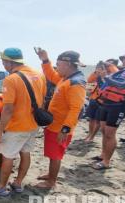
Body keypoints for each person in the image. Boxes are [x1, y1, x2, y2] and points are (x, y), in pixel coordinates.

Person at [0, 48, 46, 196]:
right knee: (25, 153)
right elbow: (42, 100)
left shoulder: (11, 79)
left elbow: (7, 109)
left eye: (3, 61)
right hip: (33, 124)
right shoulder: (39, 75)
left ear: (9, 62)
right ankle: (18, 183)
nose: (3, 64)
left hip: (17, 126)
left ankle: (1, 187)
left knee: (8, 156)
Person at [35, 49, 86, 189]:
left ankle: (52, 182)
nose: (57, 67)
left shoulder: (76, 83)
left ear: (68, 64)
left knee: (56, 155)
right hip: (54, 124)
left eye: (58, 64)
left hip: (61, 127)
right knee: (52, 154)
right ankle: (51, 175)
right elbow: (51, 75)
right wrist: (45, 60)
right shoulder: (66, 78)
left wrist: (65, 129)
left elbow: (76, 109)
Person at [84, 59, 119, 142]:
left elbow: (115, 75)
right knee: (91, 119)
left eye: (109, 65)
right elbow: (89, 80)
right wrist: (97, 71)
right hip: (94, 99)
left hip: (104, 102)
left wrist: (109, 69)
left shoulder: (115, 76)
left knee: (98, 120)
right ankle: (89, 134)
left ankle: (92, 137)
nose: (106, 66)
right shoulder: (99, 74)